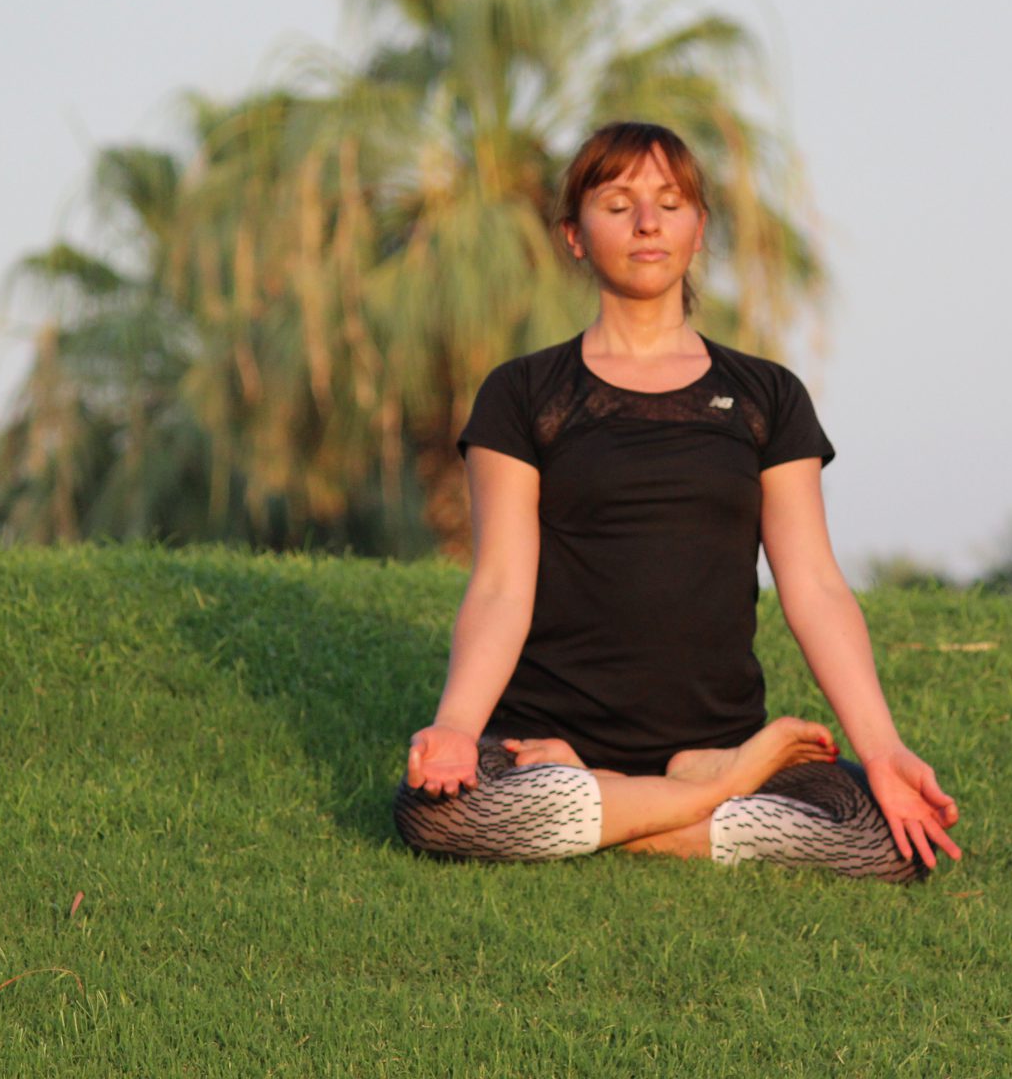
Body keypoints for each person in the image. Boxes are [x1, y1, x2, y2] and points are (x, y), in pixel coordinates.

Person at [391, 120, 961, 883]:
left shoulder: (767, 395)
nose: (647, 223)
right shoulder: (522, 393)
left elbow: (816, 586)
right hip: (544, 742)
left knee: (891, 837)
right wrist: (458, 728)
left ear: (699, 230)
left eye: (670, 203)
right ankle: (709, 796)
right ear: (574, 236)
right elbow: (499, 584)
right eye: (617, 204)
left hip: (713, 738)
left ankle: (619, 800)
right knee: (433, 811)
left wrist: (884, 751)